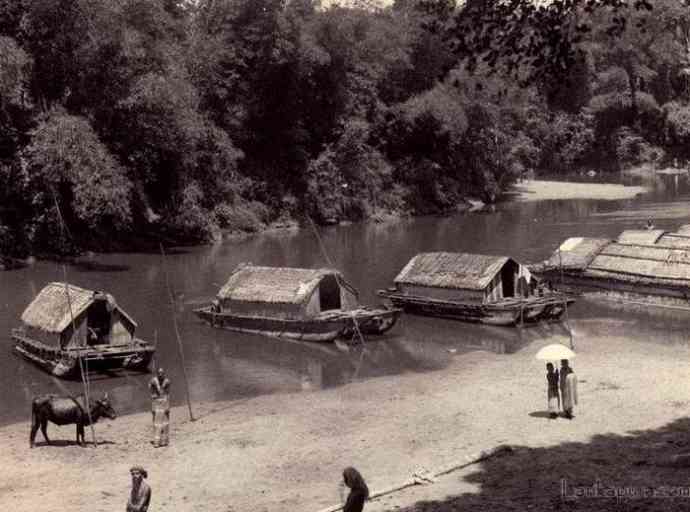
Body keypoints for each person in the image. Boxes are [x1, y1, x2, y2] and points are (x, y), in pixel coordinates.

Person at [149, 367, 171, 447]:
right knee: (157, 423)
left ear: (164, 374)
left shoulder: (167, 381)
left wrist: (168, 406)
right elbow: (150, 387)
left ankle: (165, 441)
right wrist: (153, 395)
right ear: (157, 374)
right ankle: (157, 442)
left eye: (162, 373)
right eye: (159, 373)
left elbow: (168, 394)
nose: (160, 375)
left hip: (164, 402)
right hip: (156, 402)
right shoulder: (153, 381)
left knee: (165, 423)